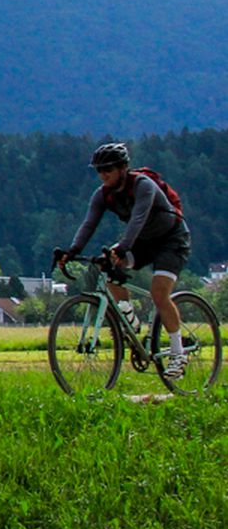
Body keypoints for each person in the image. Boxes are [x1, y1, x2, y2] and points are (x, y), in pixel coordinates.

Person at [54, 142, 192, 379]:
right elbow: (89, 223)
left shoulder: (143, 186)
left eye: (108, 169)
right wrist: (72, 250)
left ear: (123, 168)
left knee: (159, 293)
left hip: (171, 239)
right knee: (106, 266)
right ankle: (129, 318)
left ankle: (178, 354)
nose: (103, 175)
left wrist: (122, 246)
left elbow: (138, 219)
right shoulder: (102, 195)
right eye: (99, 170)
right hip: (143, 241)